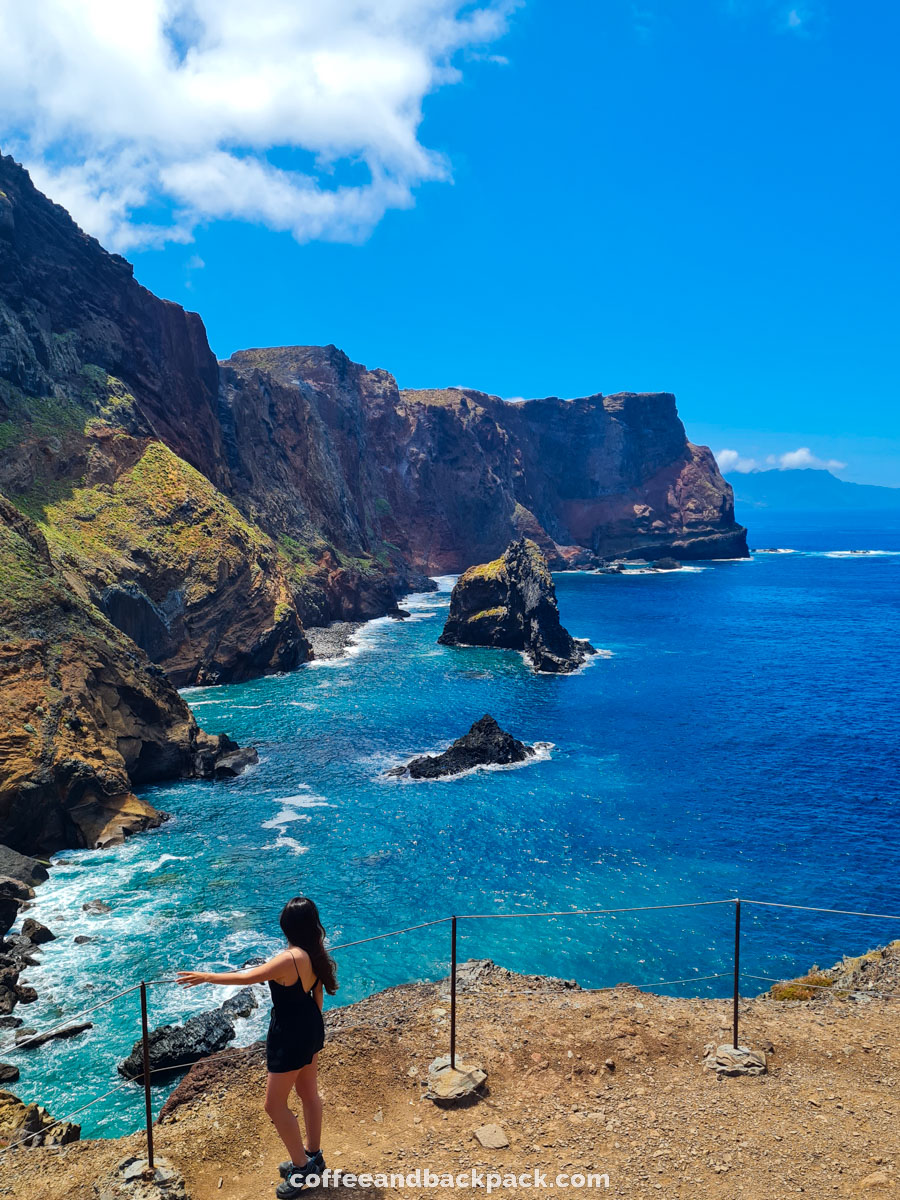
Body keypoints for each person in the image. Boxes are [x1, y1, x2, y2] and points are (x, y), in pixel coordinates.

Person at [177, 896, 338, 1198]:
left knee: (274, 1105)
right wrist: (314, 1033)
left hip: (289, 1035)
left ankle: (302, 1169)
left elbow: (248, 976)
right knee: (308, 1093)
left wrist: (206, 977)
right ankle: (314, 1156)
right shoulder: (314, 953)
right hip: (311, 1027)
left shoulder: (289, 958)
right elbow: (317, 997)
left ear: (286, 926)